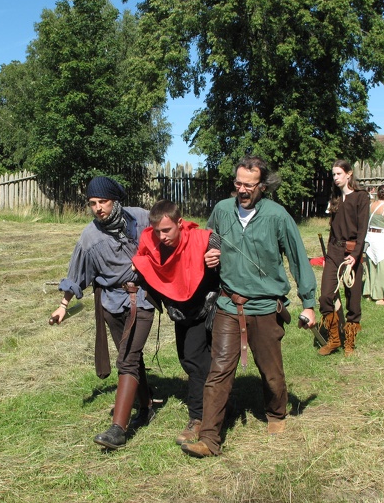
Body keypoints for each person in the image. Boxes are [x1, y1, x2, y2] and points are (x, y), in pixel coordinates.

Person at [180, 156, 317, 458]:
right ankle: (210, 439)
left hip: (266, 307)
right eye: (238, 183)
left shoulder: (277, 216)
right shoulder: (221, 210)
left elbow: (298, 258)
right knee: (218, 370)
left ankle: (276, 413)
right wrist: (210, 254)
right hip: (229, 304)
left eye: (249, 185)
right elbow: (210, 238)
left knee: (271, 373)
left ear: (262, 186)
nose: (242, 190)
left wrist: (309, 303)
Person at [49, 176, 155, 450]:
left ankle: (118, 429)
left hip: (142, 299)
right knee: (131, 355)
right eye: (93, 203)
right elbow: (76, 272)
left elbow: (171, 233)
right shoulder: (89, 236)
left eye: (103, 202)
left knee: (127, 359)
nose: (98, 208)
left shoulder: (141, 218)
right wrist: (63, 306)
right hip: (111, 303)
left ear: (115, 200)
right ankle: (146, 406)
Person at [131, 200, 220, 445]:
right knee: (188, 360)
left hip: (208, 308)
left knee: (195, 360)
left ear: (180, 223)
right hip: (181, 311)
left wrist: (218, 258)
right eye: (158, 231)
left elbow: (226, 252)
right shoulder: (151, 243)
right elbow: (141, 260)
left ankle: (199, 418)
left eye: (167, 230)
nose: (162, 236)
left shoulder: (203, 239)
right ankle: (219, 401)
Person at [318, 159, 370, 357]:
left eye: (338, 174)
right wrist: (329, 254)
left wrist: (356, 255)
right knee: (325, 296)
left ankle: (349, 342)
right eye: (333, 174)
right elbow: (333, 228)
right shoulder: (335, 198)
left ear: (349, 174)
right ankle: (334, 339)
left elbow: (363, 230)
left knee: (353, 300)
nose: (335, 178)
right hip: (334, 252)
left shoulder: (361, 197)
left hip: (352, 253)